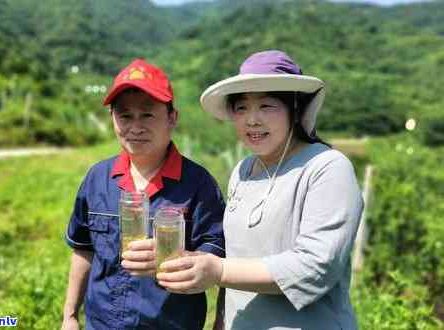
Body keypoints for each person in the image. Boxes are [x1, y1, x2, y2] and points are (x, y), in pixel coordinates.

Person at [156, 50, 364, 330]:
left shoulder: (326, 168)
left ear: (295, 109)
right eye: (241, 108)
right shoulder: (242, 171)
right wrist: (220, 320)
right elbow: (234, 258)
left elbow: (316, 267)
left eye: (267, 106)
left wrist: (218, 270)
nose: (252, 119)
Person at [61, 58, 225, 330]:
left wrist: (174, 259)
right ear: (113, 118)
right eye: (125, 115)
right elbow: (83, 249)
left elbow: (218, 262)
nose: (135, 127)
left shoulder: (199, 185)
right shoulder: (97, 178)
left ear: (172, 118)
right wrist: (69, 315)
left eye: (148, 114)